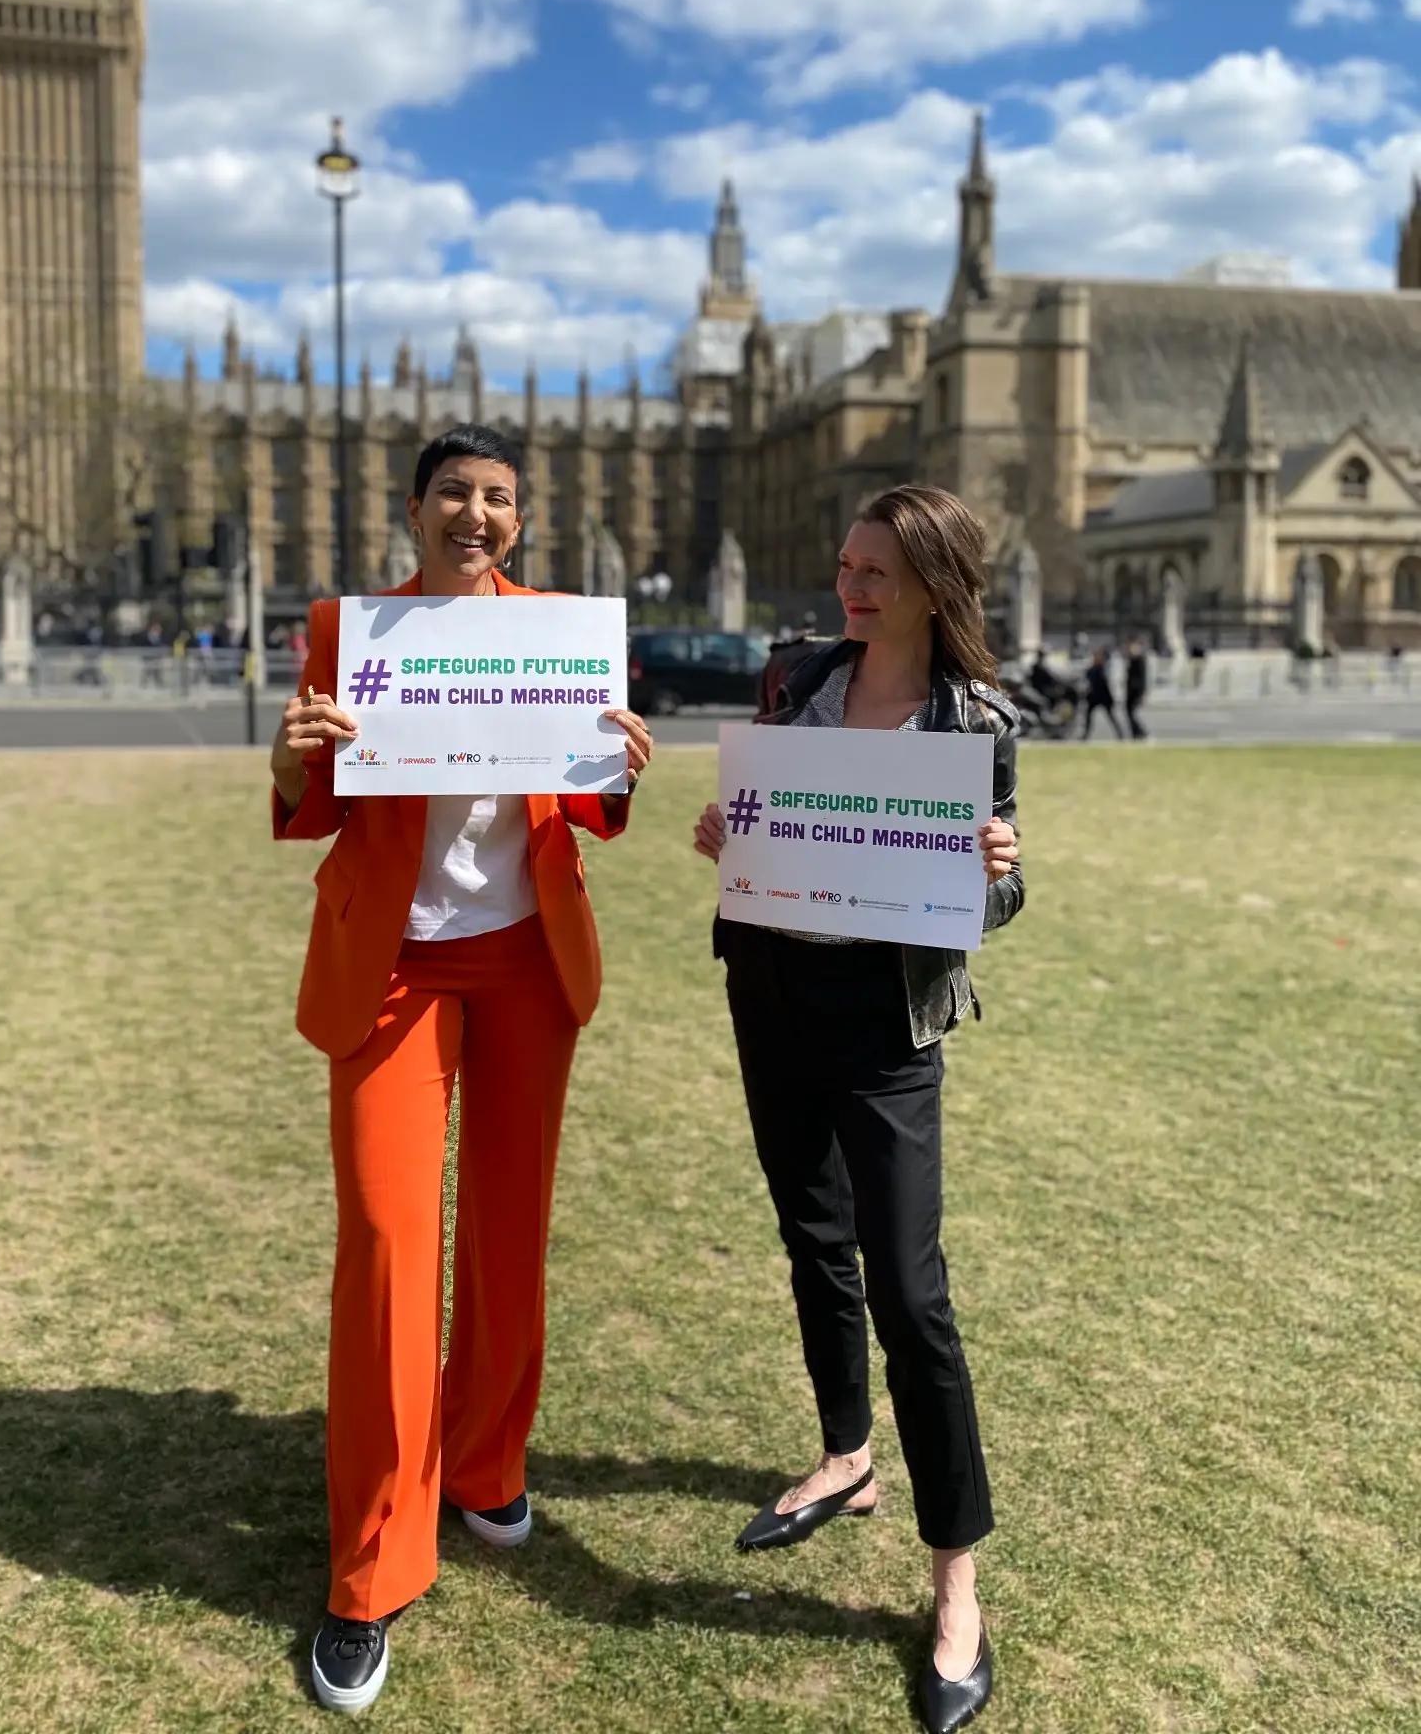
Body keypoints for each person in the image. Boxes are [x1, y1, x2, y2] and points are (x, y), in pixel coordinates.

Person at [271, 425, 653, 1717]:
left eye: (497, 499)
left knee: (508, 1228)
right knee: (387, 1244)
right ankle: (369, 1573)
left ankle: (485, 1461)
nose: (475, 515)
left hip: (527, 961)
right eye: (454, 494)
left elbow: (589, 806)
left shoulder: (563, 631)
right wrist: (292, 752)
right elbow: (315, 806)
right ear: (415, 509)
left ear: (522, 521)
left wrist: (626, 769)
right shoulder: (350, 632)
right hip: (393, 965)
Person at [693, 484, 1022, 1734]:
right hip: (772, 992)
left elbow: (999, 898)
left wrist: (997, 874)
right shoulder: (796, 680)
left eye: (879, 570)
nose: (854, 587)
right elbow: (763, 827)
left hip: (886, 1028)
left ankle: (957, 1590)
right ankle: (846, 1454)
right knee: (811, 1240)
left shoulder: (973, 719)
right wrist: (727, 832)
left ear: (937, 582)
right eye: (846, 565)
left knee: (914, 1295)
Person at [1081, 649, 1122, 739]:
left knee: (1111, 717)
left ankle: (1120, 734)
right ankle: (1085, 735)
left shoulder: (1103, 670)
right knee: (1088, 717)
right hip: (1094, 697)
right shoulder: (1091, 670)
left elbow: (1107, 685)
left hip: (1103, 697)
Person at [1124, 638, 1149, 739]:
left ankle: (1141, 731)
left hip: (1136, 691)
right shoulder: (1131, 660)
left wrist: (1142, 693)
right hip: (1130, 691)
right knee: (1129, 713)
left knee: (1131, 713)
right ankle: (1135, 733)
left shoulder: (1140, 660)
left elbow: (1142, 678)